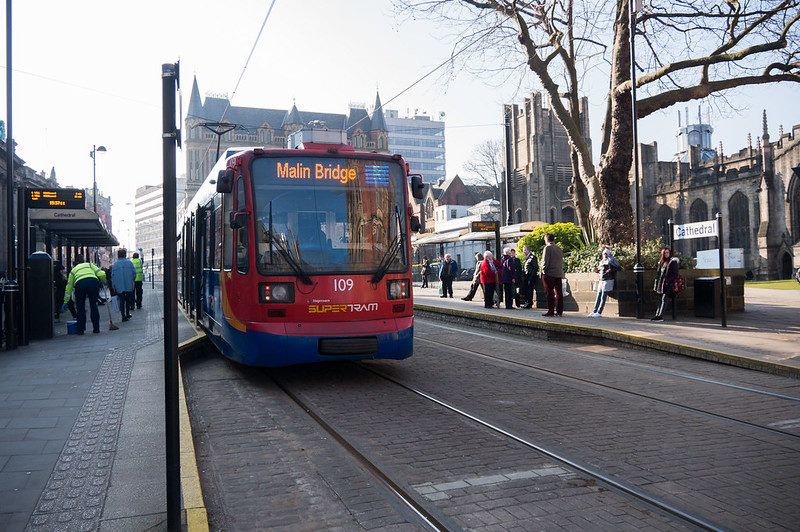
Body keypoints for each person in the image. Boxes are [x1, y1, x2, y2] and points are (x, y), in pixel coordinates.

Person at [62, 254, 107, 334]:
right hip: (93, 282)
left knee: (80, 307)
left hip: (80, 284)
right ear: (84, 260)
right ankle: (96, 329)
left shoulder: (73, 270)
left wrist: (66, 301)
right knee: (93, 305)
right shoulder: (89, 265)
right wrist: (104, 281)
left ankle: (81, 330)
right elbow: (102, 274)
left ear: (75, 262)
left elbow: (69, 286)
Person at [588, 249, 620, 317]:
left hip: (608, 280)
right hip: (601, 280)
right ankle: (594, 311)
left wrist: (610, 270)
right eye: (604, 254)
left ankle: (599, 312)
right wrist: (597, 271)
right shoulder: (602, 261)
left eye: (606, 254)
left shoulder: (611, 260)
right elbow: (601, 270)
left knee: (603, 296)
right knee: (598, 296)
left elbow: (618, 267)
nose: (605, 255)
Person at [652, 247, 679, 321]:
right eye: (665, 253)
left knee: (664, 299)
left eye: (668, 253)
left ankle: (660, 316)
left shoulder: (672, 262)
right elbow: (658, 274)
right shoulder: (661, 262)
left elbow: (675, 274)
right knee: (661, 299)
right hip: (661, 284)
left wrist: (668, 281)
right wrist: (656, 284)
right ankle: (657, 315)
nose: (666, 254)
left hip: (668, 284)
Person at [541, 233, 564, 317]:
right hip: (558, 273)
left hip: (549, 273)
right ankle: (559, 311)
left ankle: (550, 311)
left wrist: (543, 271)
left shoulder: (547, 248)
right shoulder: (559, 248)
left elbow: (545, 261)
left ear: (546, 239)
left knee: (549, 293)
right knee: (559, 293)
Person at [111, 249, 136, 322]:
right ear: (125, 255)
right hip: (128, 285)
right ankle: (128, 313)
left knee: (121, 300)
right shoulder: (130, 263)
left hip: (119, 286)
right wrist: (132, 281)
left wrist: (114, 286)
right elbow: (134, 273)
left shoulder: (115, 265)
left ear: (118, 255)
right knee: (128, 300)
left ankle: (123, 316)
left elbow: (113, 276)